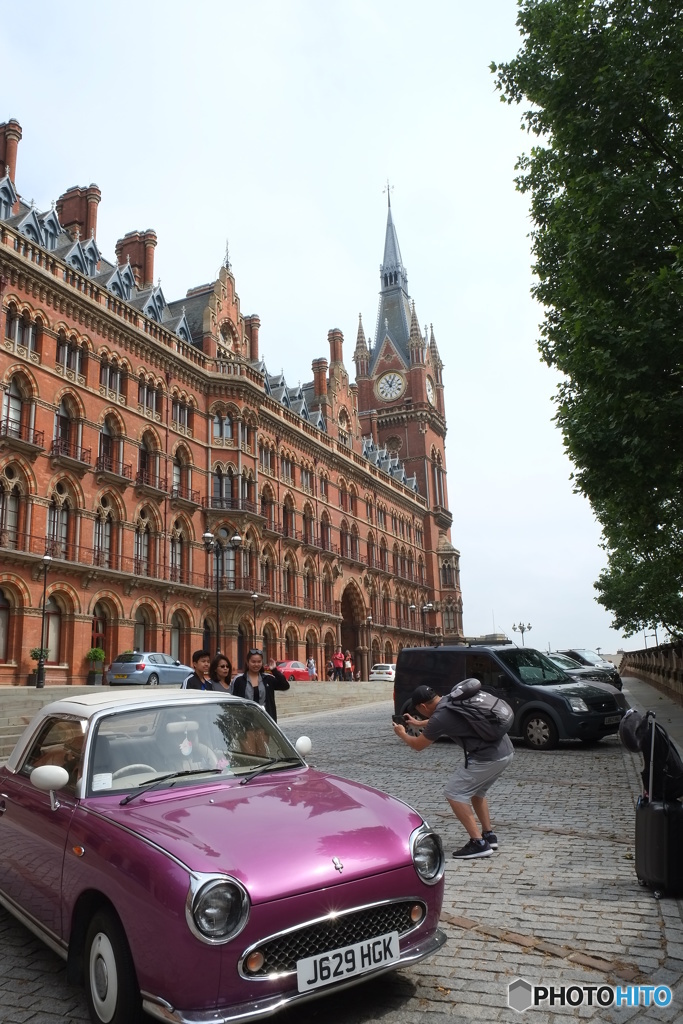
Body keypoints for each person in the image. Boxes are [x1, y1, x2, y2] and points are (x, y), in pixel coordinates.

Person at [393, 683, 514, 860]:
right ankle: (489, 835)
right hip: (505, 751)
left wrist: (402, 733)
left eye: (419, 710)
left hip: (488, 758)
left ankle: (478, 843)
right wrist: (419, 723)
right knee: (477, 792)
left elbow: (418, 745)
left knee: (454, 793)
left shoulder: (441, 716)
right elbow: (447, 721)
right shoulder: (451, 700)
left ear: (423, 706)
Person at [230, 648, 290, 721]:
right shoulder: (239, 680)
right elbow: (233, 702)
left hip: (265, 721)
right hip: (245, 721)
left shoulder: (267, 678)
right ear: (247, 662)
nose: (256, 664)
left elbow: (285, 686)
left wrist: (274, 670)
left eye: (259, 662)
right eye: (253, 662)